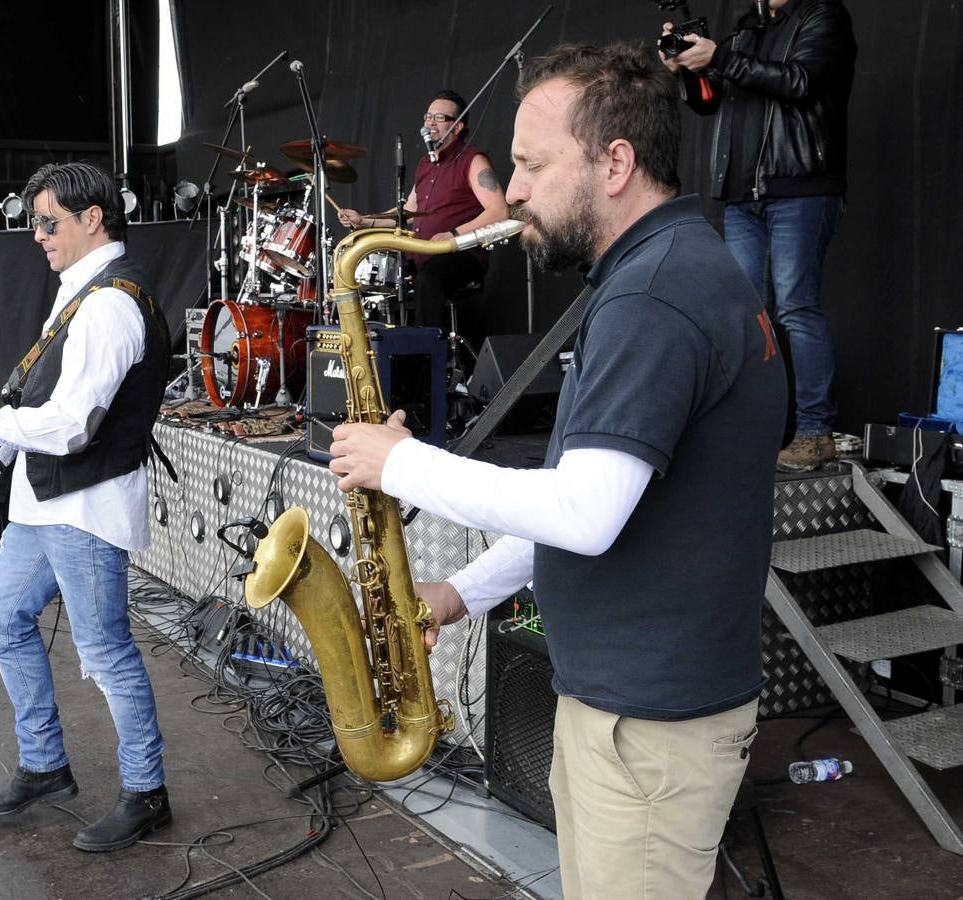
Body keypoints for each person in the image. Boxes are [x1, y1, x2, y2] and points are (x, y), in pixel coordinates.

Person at [328, 43, 786, 899]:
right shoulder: (664, 271)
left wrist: (403, 464)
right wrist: (457, 592)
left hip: (644, 727)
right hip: (629, 712)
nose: (518, 191)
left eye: (533, 164)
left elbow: (584, 512)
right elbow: (598, 504)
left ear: (614, 163)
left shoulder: (652, 296)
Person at [0, 161, 172, 852]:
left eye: (48, 221)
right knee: (0, 621)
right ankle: (44, 765)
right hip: (46, 500)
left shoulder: (108, 304)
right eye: (36, 222)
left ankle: (146, 792)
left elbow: (71, 427)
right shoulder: (83, 294)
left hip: (84, 507)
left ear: (92, 217)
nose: (36, 234)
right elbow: (49, 411)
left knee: (105, 652)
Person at [661, 0, 856, 472]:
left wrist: (720, 57)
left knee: (795, 307)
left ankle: (814, 432)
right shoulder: (747, 27)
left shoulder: (823, 15)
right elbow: (709, 103)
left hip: (800, 186)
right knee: (748, 315)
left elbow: (801, 81)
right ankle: (755, 428)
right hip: (742, 194)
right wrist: (686, 68)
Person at [337, 89, 508, 348]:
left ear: (458, 126)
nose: (429, 122)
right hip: (423, 257)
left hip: (460, 256)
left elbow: (499, 211)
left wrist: (453, 235)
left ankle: (430, 358)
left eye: (439, 117)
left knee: (429, 279)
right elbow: (406, 213)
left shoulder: (473, 160)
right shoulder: (424, 165)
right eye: (428, 116)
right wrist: (365, 221)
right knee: (377, 278)